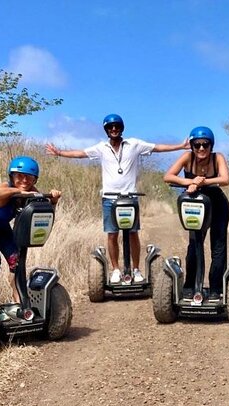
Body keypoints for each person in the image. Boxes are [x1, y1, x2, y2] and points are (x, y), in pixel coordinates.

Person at [46, 113, 189, 283]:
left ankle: (136, 270)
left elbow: (157, 147)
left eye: (117, 126)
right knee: (112, 234)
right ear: (106, 130)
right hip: (109, 198)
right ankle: (115, 270)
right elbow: (81, 154)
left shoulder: (134, 144)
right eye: (110, 127)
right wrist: (59, 152)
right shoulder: (101, 148)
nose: (114, 129)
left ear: (122, 128)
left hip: (130, 197)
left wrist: (180, 146)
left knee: (133, 233)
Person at [0, 156, 61, 312]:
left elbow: (45, 214)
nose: (24, 180)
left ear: (35, 180)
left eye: (29, 177)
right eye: (19, 176)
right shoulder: (5, 188)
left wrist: (53, 200)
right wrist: (17, 191)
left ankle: (18, 302)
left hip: (0, 227)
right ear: (11, 176)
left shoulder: (31, 193)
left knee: (16, 261)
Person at [163, 126, 229, 298]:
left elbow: (225, 179)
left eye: (205, 144)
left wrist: (203, 182)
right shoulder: (187, 157)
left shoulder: (218, 158)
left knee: (218, 245)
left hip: (217, 204)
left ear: (211, 145)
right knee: (194, 244)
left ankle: (216, 288)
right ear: (192, 146)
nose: (201, 148)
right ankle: (191, 285)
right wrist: (189, 181)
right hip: (195, 203)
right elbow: (168, 176)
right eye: (197, 145)